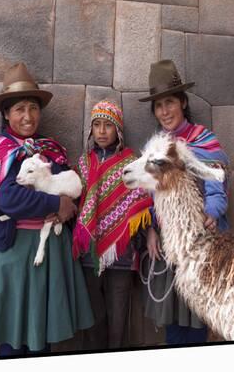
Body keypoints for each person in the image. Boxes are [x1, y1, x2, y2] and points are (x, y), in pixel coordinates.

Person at [0, 62, 94, 356]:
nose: (27, 116)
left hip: (49, 252)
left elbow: (68, 184)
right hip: (14, 252)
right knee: (14, 338)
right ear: (6, 113)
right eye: (19, 109)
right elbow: (7, 199)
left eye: (33, 108)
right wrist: (56, 203)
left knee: (43, 335)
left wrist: (70, 205)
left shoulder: (50, 150)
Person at [138, 59, 230, 345]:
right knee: (174, 320)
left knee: (197, 320)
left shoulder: (204, 141)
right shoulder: (156, 148)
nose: (164, 111)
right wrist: (152, 228)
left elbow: (217, 186)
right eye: (158, 105)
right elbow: (151, 196)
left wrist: (211, 213)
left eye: (170, 102)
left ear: (183, 102)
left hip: (201, 243)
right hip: (170, 245)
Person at [72, 100, 153, 350]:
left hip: (122, 251)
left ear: (118, 130)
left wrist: (144, 235)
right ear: (91, 130)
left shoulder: (131, 162)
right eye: (97, 125)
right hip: (89, 253)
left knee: (119, 315)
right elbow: (77, 199)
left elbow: (142, 202)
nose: (102, 131)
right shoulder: (84, 163)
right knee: (93, 316)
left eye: (108, 125)